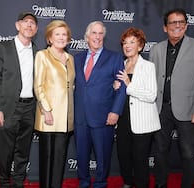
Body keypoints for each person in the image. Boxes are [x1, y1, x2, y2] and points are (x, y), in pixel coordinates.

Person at [149, 8, 194, 188]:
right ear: (165, 27)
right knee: (160, 153)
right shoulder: (156, 49)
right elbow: (151, 80)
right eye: (172, 22)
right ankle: (160, 185)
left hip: (189, 109)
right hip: (161, 109)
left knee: (188, 154)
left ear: (186, 25)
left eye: (181, 22)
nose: (177, 26)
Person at [0, 12, 38, 188]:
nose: (29, 25)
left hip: (30, 108)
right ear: (18, 25)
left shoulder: (38, 52)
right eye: (25, 22)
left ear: (36, 29)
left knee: (23, 150)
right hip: (8, 108)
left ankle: (18, 182)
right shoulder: (2, 48)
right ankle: (3, 182)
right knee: (5, 151)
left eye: (32, 23)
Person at [74, 21, 126, 188]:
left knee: (103, 156)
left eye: (100, 33)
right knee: (81, 155)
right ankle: (83, 182)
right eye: (94, 33)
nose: (97, 37)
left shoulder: (115, 57)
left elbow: (122, 86)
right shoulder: (77, 58)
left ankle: (100, 184)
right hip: (80, 117)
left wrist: (115, 111)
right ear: (87, 37)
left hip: (104, 117)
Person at [115, 27, 161, 188]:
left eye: (132, 42)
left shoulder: (148, 66)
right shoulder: (120, 65)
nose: (127, 46)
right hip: (123, 119)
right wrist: (114, 87)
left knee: (140, 159)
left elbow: (151, 95)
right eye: (125, 43)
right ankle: (127, 183)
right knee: (123, 156)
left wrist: (128, 84)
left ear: (140, 46)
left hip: (142, 121)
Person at [33, 20, 75, 188]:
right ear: (49, 38)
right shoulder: (42, 55)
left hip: (66, 118)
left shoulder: (70, 58)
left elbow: (70, 85)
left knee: (60, 160)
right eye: (57, 34)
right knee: (47, 159)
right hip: (48, 117)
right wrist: (47, 110)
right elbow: (38, 85)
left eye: (64, 34)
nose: (61, 37)